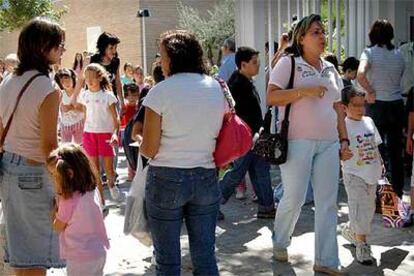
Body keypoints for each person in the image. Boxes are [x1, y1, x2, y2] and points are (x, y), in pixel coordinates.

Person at [267, 14, 351, 274]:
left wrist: (344, 139)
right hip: (297, 141)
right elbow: (271, 97)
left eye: (323, 32)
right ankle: (280, 241)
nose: (322, 36)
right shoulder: (288, 63)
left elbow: (338, 108)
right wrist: (304, 91)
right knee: (295, 196)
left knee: (327, 202)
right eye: (316, 32)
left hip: (328, 142)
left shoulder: (330, 68)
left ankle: (326, 259)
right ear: (301, 38)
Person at [140, 30, 226, 275]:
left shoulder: (160, 92)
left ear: (174, 57)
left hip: (166, 177)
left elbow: (149, 149)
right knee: (205, 257)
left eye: (162, 56)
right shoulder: (216, 87)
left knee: (167, 261)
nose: (159, 61)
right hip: (206, 176)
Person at [0, 17, 66, 275]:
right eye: (59, 44)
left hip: (10, 168)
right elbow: (49, 146)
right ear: (42, 47)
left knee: (21, 252)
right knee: (34, 257)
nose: (63, 49)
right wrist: (63, 188)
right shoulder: (47, 87)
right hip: (34, 172)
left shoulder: (8, 81)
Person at [218, 46, 275, 219]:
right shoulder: (237, 84)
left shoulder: (243, 81)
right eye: (254, 62)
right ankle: (211, 204)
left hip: (254, 137)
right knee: (237, 173)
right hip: (245, 138)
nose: (258, 65)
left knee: (260, 170)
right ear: (243, 64)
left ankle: (267, 207)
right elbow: (236, 114)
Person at [357, 19, 405, 198]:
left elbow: (360, 74)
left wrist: (370, 91)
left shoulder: (369, 52)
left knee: (375, 150)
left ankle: (379, 194)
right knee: (395, 152)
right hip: (396, 104)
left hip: (377, 105)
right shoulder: (399, 54)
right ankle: (398, 192)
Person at [47, 143, 109, 276]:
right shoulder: (91, 191)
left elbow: (58, 227)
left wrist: (54, 211)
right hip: (98, 252)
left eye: (54, 176)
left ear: (68, 174)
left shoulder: (68, 200)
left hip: (79, 257)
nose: (53, 181)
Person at [340, 86, 382, 265]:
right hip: (353, 173)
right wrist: (339, 153)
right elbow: (335, 147)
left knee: (369, 210)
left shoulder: (369, 121)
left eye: (362, 105)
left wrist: (381, 162)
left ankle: (351, 231)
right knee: (358, 208)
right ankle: (362, 245)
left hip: (372, 173)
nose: (359, 109)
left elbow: (375, 144)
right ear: (344, 107)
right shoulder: (342, 126)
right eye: (354, 105)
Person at [77, 63, 122, 202]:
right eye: (87, 77)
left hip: (105, 135)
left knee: (108, 169)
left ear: (100, 78)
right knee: (94, 170)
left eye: (93, 77)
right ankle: (101, 200)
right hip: (89, 134)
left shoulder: (108, 96)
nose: (89, 80)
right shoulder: (84, 95)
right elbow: (84, 115)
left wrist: (115, 133)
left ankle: (111, 184)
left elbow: (116, 118)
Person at [90, 32, 124, 106]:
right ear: (103, 47)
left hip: (111, 101)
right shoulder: (92, 60)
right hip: (95, 101)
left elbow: (117, 82)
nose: (114, 51)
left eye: (115, 48)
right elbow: (82, 80)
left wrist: (121, 101)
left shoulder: (116, 61)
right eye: (111, 48)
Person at [55, 68, 85, 144]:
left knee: (79, 146)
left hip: (79, 123)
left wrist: (71, 107)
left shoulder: (80, 92)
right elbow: (60, 110)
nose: (66, 83)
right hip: (65, 125)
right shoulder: (61, 94)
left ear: (73, 78)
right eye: (62, 81)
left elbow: (84, 109)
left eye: (68, 79)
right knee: (66, 147)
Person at [120, 83, 139, 180]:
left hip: (136, 134)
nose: (131, 98)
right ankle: (130, 174)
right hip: (126, 134)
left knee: (136, 153)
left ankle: (137, 173)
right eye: (129, 95)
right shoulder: (124, 108)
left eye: (134, 95)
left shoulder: (138, 108)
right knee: (128, 154)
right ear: (126, 96)